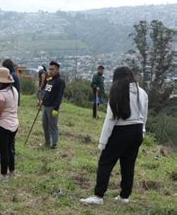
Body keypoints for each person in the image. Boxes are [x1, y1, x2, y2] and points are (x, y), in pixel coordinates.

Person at [80, 67, 148, 205]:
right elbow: (144, 114)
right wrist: (142, 131)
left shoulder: (117, 92)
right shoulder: (142, 92)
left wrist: (102, 143)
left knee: (105, 163)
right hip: (137, 131)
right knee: (128, 164)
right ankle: (124, 196)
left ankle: (98, 196)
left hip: (120, 131)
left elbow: (110, 120)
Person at [42, 61, 65, 149]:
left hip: (52, 107)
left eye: (52, 69)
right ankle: (47, 142)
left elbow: (59, 96)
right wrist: (42, 100)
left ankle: (54, 144)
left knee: (53, 126)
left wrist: (56, 108)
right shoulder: (50, 79)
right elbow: (46, 91)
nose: (50, 71)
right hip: (45, 106)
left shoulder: (60, 81)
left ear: (57, 70)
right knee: (45, 125)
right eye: (49, 69)